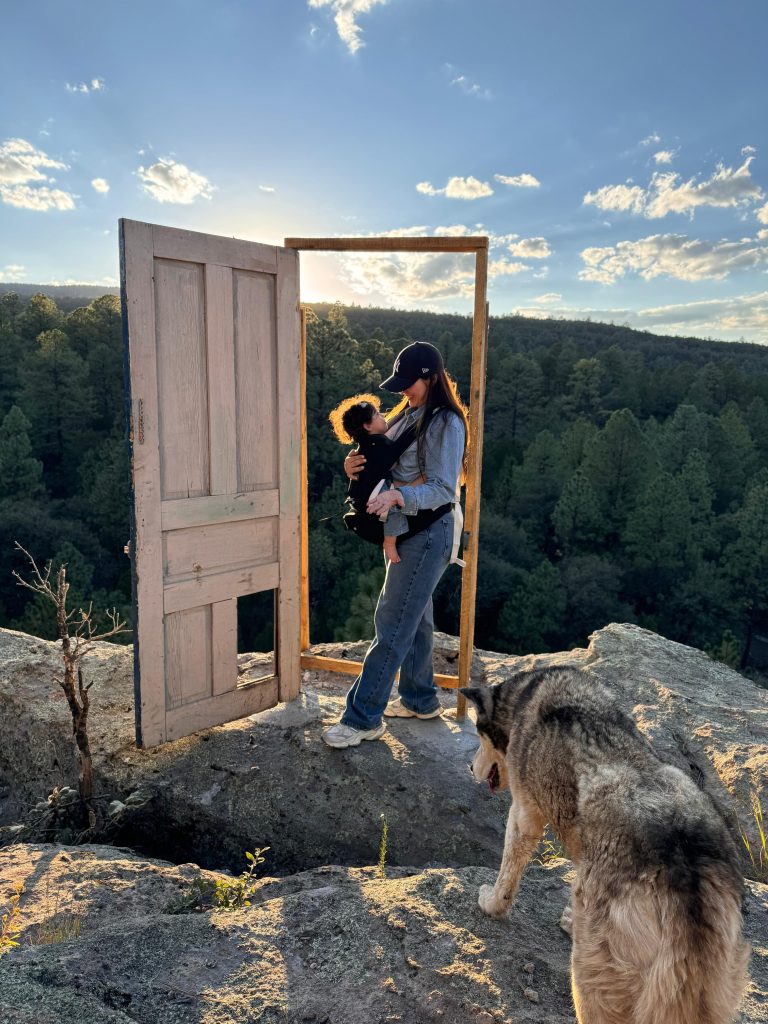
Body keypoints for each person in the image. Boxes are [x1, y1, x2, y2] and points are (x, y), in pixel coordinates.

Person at [322, 341, 469, 749]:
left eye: (409, 383)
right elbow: (378, 448)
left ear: (432, 377)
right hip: (411, 530)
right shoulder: (410, 413)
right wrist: (350, 464)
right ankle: (420, 699)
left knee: (392, 622)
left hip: (428, 529)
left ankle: (362, 717)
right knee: (415, 616)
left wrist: (398, 497)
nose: (402, 391)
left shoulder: (446, 423)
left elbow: (444, 488)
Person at [328, 392, 416, 564]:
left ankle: (389, 541)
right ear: (368, 426)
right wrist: (420, 425)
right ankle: (389, 543)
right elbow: (398, 449)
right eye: (377, 414)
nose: (382, 417)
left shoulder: (369, 444)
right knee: (394, 506)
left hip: (362, 494)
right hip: (370, 495)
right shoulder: (377, 444)